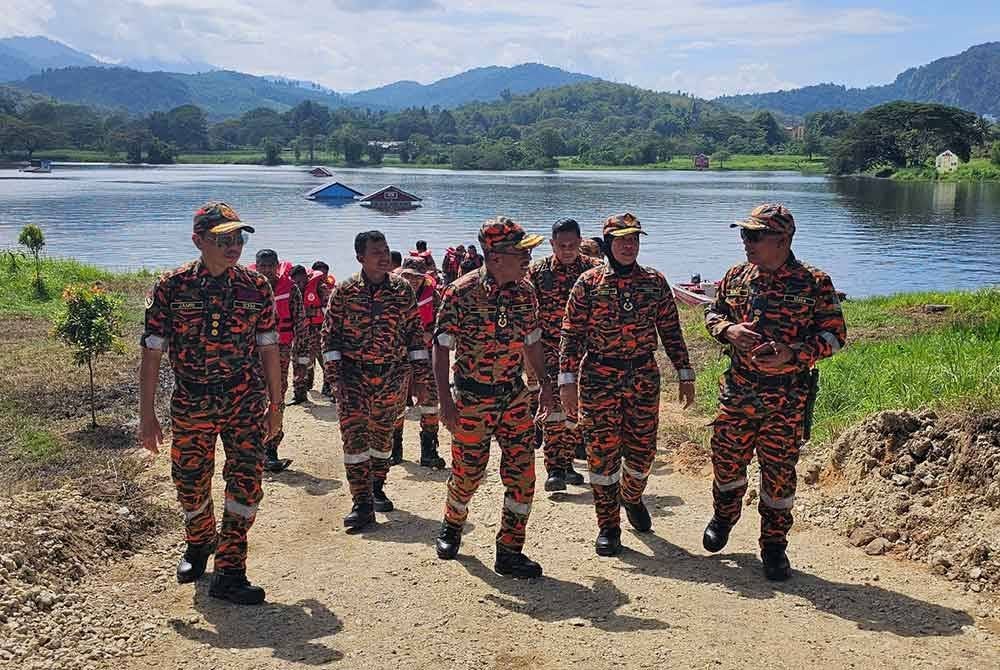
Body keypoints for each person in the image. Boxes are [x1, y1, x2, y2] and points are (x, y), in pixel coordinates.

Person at [138, 201, 282, 605]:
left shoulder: (256, 287)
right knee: (188, 481)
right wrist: (146, 415)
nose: (233, 245)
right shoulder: (172, 286)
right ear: (198, 240)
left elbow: (269, 348)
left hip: (244, 399)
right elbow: (151, 353)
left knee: (247, 484)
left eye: (238, 237)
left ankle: (231, 570)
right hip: (192, 400)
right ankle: (200, 539)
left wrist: (277, 406)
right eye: (223, 238)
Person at [702, 203, 846, 581]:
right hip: (738, 393)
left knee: (779, 476)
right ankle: (725, 514)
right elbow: (713, 313)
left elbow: (834, 336)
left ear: (783, 240)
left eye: (754, 236)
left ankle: (774, 546)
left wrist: (793, 354)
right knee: (727, 464)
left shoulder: (814, 282)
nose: (745, 242)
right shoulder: (735, 275)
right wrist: (727, 330)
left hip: (787, 399)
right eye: (743, 234)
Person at [560, 212, 696, 557]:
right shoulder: (588, 283)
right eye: (621, 240)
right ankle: (608, 525)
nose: (628, 245)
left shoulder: (654, 281)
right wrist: (566, 381)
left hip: (642, 377)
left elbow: (670, 331)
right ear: (607, 244)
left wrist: (684, 372)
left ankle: (632, 495)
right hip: (599, 378)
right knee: (601, 455)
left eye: (634, 239)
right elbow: (572, 335)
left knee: (642, 453)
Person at [433, 216, 554, 579]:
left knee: (523, 475)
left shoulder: (525, 292)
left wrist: (545, 386)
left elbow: (532, 341)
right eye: (522, 252)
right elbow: (440, 350)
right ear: (496, 256)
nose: (529, 259)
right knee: (468, 475)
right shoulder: (461, 293)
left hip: (514, 397)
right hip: (471, 398)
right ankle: (453, 523)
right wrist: (446, 402)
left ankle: (510, 550)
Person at [321, 231, 431, 531]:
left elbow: (414, 335)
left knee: (382, 440)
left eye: (385, 250)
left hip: (392, 377)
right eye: (376, 252)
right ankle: (361, 503)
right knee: (355, 440)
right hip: (353, 376)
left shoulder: (402, 290)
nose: (384, 257)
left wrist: (421, 379)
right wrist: (334, 380)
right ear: (360, 257)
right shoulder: (345, 291)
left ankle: (377, 487)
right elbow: (329, 336)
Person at [527, 217, 602, 492]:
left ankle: (567, 462)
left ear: (581, 243)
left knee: (576, 410)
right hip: (549, 350)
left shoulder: (595, 272)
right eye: (561, 245)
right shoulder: (537, 272)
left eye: (572, 245)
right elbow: (526, 314)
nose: (567, 250)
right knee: (554, 409)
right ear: (552, 244)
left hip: (584, 352)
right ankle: (555, 468)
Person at [252, 250, 307, 472]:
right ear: (256, 266)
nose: (266, 270)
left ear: (277, 266)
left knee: (276, 397)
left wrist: (302, 361)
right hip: (251, 352)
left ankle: (271, 449)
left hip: (280, 351)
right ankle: (253, 450)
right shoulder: (248, 287)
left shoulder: (290, 288)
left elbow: (301, 324)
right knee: (253, 397)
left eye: (269, 266)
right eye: (262, 266)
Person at [391, 257, 447, 469]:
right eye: (407, 276)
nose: (412, 281)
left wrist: (428, 333)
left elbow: (444, 323)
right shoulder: (391, 291)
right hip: (398, 356)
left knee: (430, 401)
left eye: (417, 277)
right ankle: (395, 450)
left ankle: (429, 451)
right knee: (396, 402)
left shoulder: (433, 295)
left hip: (425, 355)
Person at [305, 261, 336, 397]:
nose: (323, 277)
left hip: (323, 328)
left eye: (325, 274)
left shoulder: (326, 288)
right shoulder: (306, 287)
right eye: (320, 274)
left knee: (324, 359)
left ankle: (326, 388)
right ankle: (308, 385)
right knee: (308, 359)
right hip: (309, 328)